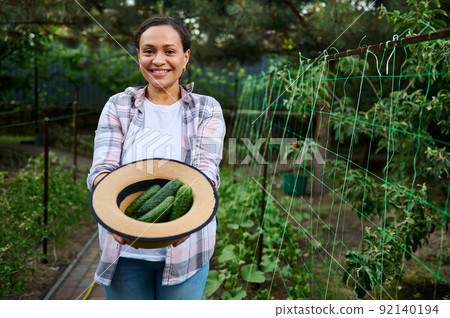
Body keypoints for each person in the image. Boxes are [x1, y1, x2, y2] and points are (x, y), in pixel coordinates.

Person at [86, 15, 225, 300]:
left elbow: (205, 172)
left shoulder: (207, 109)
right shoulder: (118, 105)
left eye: (169, 51)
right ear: (138, 55)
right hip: (122, 251)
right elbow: (102, 169)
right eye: (149, 51)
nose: (158, 60)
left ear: (185, 58)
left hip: (188, 252)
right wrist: (114, 218)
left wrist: (189, 221)